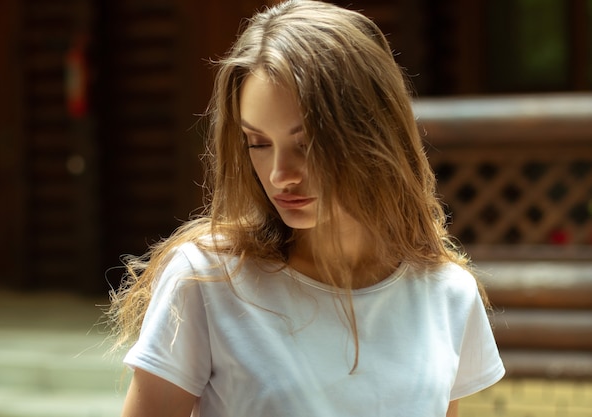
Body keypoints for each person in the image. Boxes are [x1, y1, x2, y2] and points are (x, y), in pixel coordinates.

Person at [107, 1, 505, 416]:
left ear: (371, 131)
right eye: (258, 143)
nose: (281, 174)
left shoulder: (447, 294)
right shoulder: (206, 280)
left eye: (306, 142)